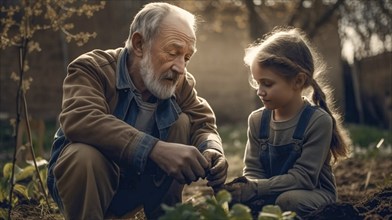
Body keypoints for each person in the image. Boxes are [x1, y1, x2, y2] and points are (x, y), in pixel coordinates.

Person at [46, 2, 228, 219]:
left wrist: (212, 149)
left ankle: (167, 215)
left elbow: (203, 122)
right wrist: (154, 149)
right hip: (86, 188)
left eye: (186, 57)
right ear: (139, 44)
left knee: (183, 122)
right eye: (173, 52)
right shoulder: (92, 68)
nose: (181, 67)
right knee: (85, 155)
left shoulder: (180, 82)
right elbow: (80, 118)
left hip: (137, 188)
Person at [224, 27, 351, 217]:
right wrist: (245, 189)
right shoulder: (257, 120)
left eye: (267, 84)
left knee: (287, 201)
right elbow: (253, 170)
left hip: (312, 194)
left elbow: (304, 178)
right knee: (236, 204)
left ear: (298, 81)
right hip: (269, 192)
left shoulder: (318, 121)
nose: (259, 91)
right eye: (257, 82)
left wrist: (257, 189)